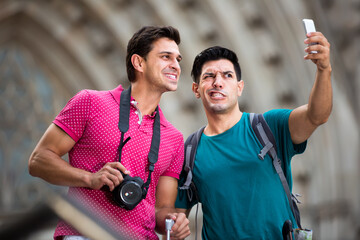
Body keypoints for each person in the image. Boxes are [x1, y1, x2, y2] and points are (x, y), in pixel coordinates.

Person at [28, 26, 190, 240]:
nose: (176, 66)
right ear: (139, 63)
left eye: (178, 59)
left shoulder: (174, 138)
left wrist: (174, 222)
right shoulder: (90, 102)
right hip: (84, 233)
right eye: (166, 57)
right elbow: (38, 160)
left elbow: (162, 209)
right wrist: (90, 178)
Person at [175, 31, 332, 239]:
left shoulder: (269, 126)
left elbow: (317, 115)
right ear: (196, 89)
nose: (218, 82)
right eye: (209, 76)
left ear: (240, 88)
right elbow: (174, 220)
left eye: (227, 75)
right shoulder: (189, 151)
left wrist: (324, 69)